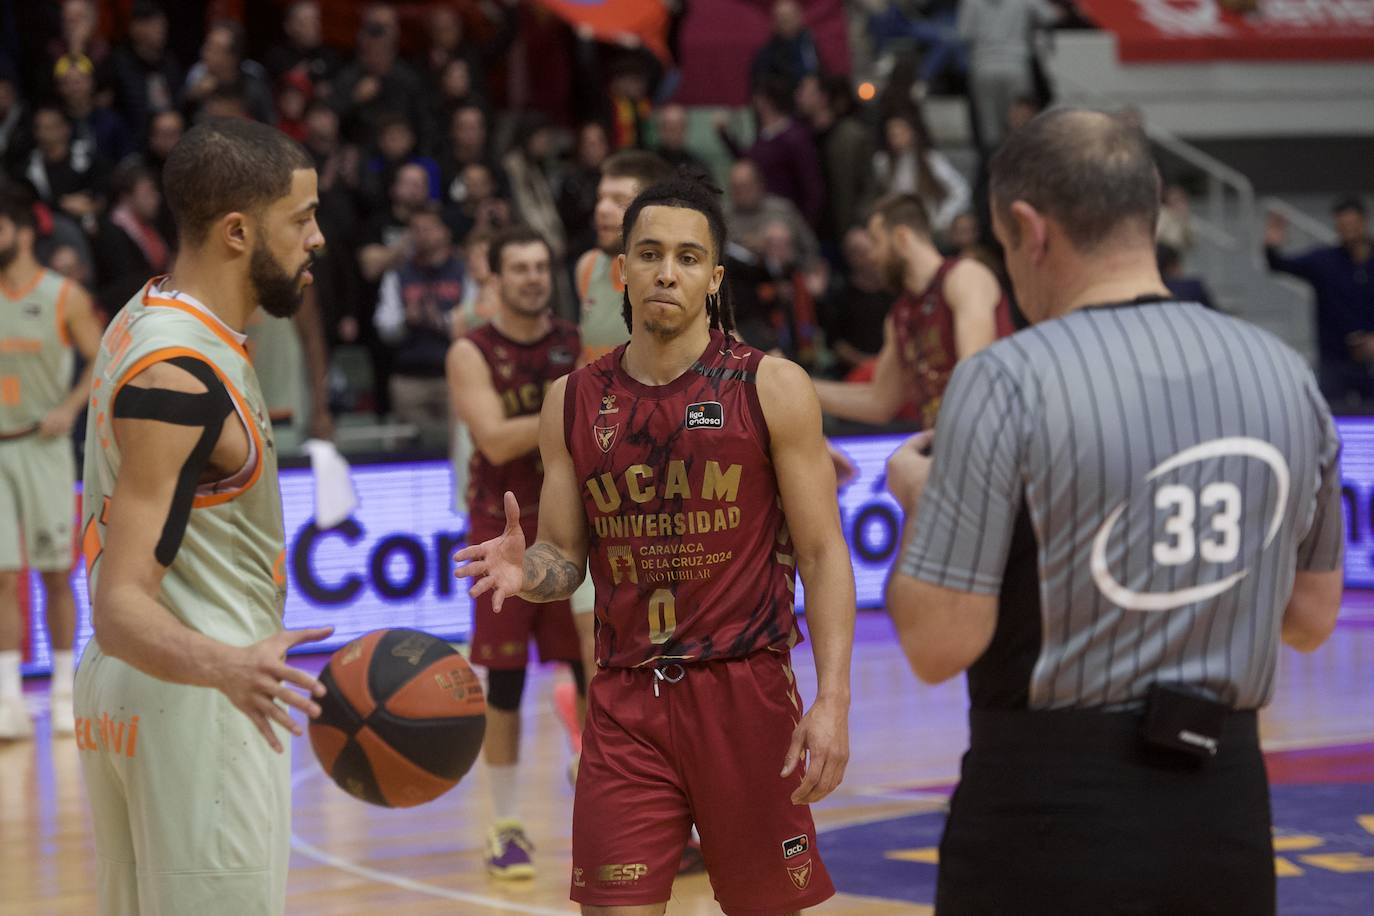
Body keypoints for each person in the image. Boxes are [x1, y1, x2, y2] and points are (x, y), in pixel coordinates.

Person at [884, 108, 1343, 916]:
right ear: (1153, 205)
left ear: (1029, 228)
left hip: (1050, 816)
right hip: (1226, 812)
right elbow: (1310, 618)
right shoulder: (1286, 375)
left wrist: (925, 504)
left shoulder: (1004, 380)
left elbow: (935, 643)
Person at [454, 175, 855, 913]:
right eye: (650, 254)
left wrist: (832, 698)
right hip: (627, 700)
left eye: (688, 257)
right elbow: (563, 557)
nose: (668, 271)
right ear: (621, 273)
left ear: (714, 278)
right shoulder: (571, 400)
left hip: (747, 693)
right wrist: (527, 567)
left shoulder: (773, 386)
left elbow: (826, 555)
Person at [74, 117, 332, 914]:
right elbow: (118, 607)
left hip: (139, 693)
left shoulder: (144, 316)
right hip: (196, 697)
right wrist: (229, 669)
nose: (317, 239)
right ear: (236, 232)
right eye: (302, 219)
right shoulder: (182, 376)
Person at [445, 225, 584, 880]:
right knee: (502, 681)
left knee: (594, 670)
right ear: (494, 280)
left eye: (540, 266)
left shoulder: (574, 341)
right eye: (519, 268)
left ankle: (598, 795)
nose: (533, 277)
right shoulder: (471, 351)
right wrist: (571, 401)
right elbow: (497, 440)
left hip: (567, 524)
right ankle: (504, 825)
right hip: (498, 527)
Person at [0, 189, 102, 739]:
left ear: (21, 231)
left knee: (55, 572)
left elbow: (100, 355)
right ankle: (7, 696)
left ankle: (66, 688)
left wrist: (69, 407)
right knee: (1, 575)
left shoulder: (63, 295)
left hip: (43, 446)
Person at [813, 194, 1012, 429]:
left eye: (876, 242)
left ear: (901, 238)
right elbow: (879, 403)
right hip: (948, 446)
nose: (873, 255)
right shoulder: (899, 315)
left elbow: (975, 373)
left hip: (992, 437)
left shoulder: (963, 277)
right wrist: (794, 383)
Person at [1265, 197, 1374, 406]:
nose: (1348, 232)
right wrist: (1272, 247)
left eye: (1353, 225)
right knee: (1330, 418)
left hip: (1370, 362)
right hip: (1334, 360)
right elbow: (1279, 264)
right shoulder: (1325, 261)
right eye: (1342, 227)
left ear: (1364, 223)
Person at [374, 204, 465, 447]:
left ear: (445, 232)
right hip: (409, 378)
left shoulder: (462, 270)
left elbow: (474, 323)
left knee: (460, 448)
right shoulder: (398, 274)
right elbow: (385, 327)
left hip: (454, 377)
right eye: (416, 229)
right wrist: (406, 319)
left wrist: (440, 321)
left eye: (429, 228)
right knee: (411, 454)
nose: (422, 234)